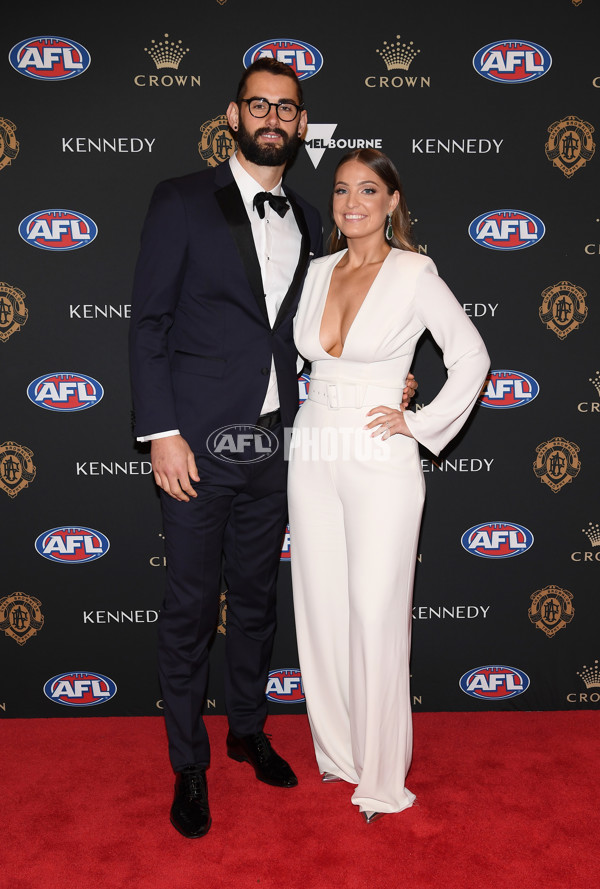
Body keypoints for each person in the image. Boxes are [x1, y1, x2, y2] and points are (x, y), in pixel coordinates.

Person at [130, 61, 417, 838]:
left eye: (286, 108)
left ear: (299, 122)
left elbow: (324, 331)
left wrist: (394, 375)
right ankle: (189, 764)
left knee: (257, 602)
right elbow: (148, 323)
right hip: (193, 448)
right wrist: (161, 433)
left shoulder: (305, 217)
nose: (271, 117)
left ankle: (247, 729)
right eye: (259, 104)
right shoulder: (181, 198)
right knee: (191, 608)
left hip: (278, 447)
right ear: (233, 113)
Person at [287, 148, 490, 823]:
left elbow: (470, 356)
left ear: (392, 201)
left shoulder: (412, 272)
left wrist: (421, 422)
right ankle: (340, 753)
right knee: (320, 607)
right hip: (313, 444)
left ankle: (380, 777)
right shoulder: (316, 271)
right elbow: (294, 362)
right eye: (342, 189)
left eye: (368, 190)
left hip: (379, 453)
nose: (351, 203)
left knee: (376, 611)